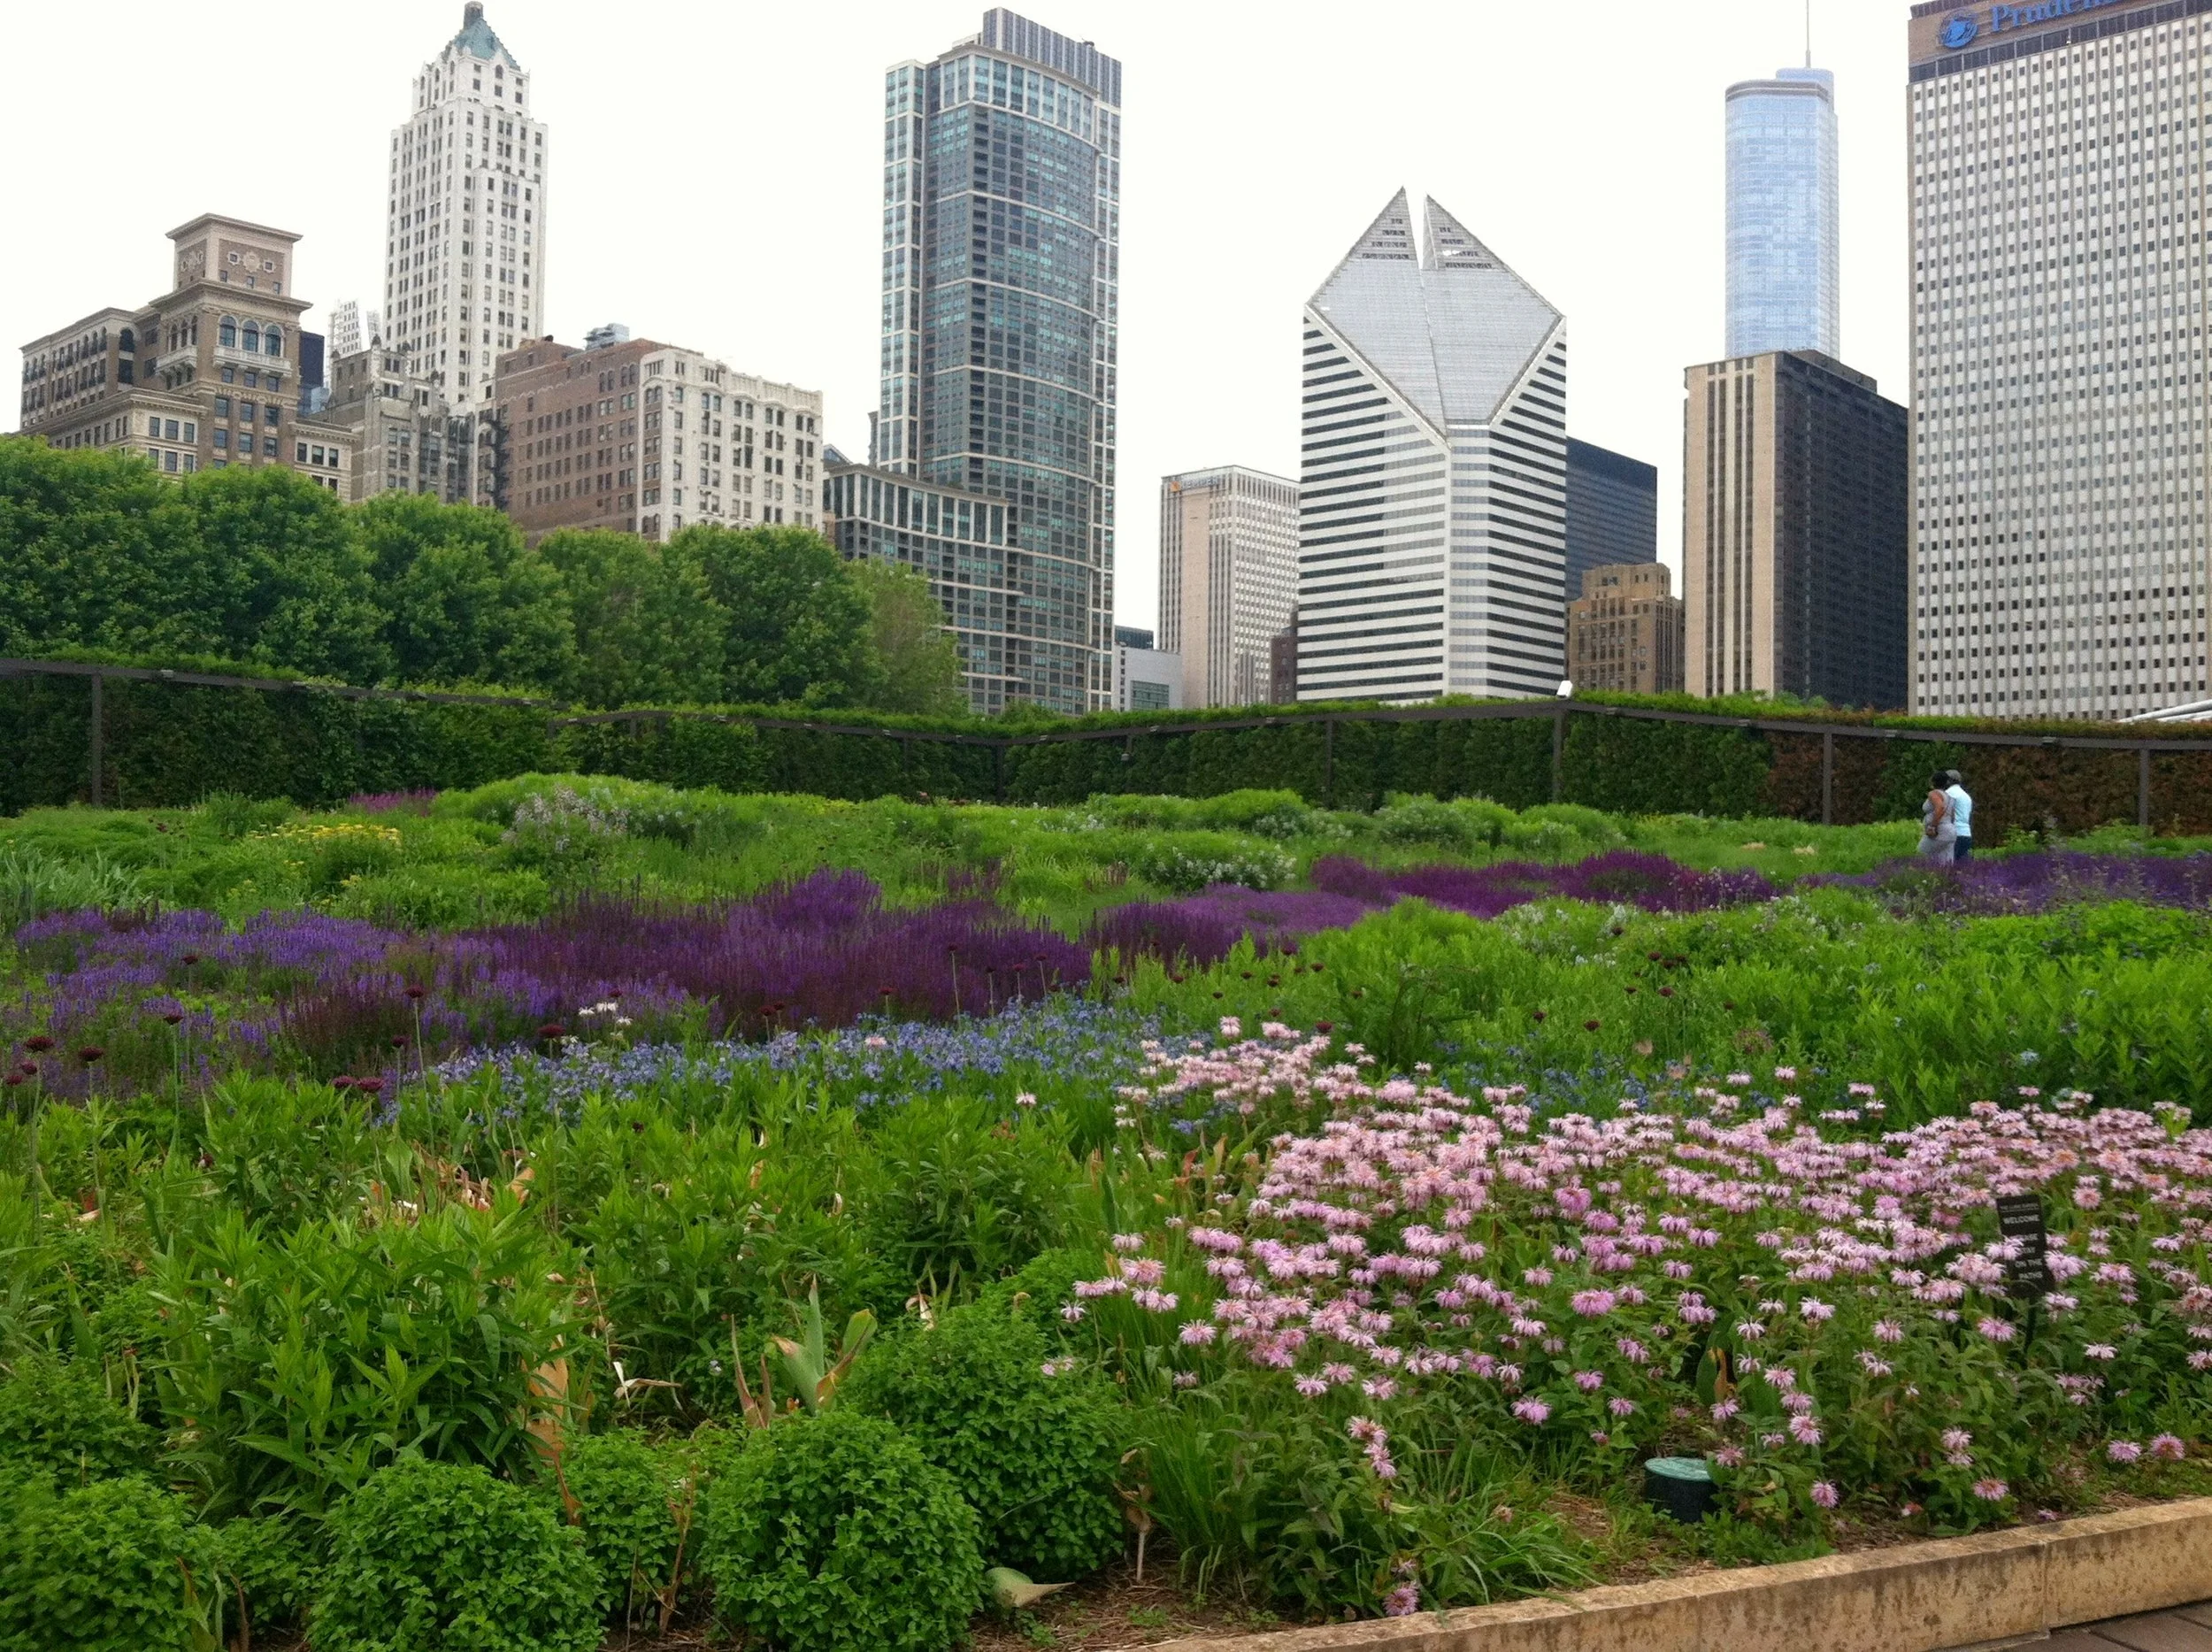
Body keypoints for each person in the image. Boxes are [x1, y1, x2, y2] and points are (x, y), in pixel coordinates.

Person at [1919, 770, 1957, 864]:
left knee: (1920, 854)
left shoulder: (1934, 793)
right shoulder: (1949, 797)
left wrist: (1933, 826)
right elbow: (1953, 815)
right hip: (1951, 830)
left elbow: (1940, 807)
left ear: (1933, 782)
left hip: (1940, 830)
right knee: (1946, 863)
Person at [1944, 770, 1975, 863]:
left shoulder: (1948, 794)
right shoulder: (1966, 796)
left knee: (1948, 866)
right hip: (1966, 833)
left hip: (1953, 834)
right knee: (1963, 866)